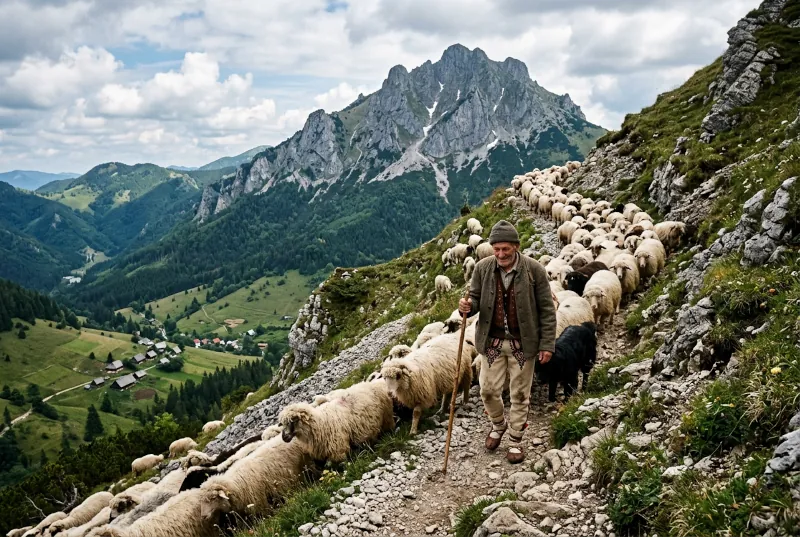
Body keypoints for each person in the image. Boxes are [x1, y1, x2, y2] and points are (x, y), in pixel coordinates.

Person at [458, 220, 556, 463]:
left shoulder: (534, 270)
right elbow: (476, 301)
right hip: (492, 341)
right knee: (488, 390)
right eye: (496, 249)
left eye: (506, 249)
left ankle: (515, 439)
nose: (500, 254)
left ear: (516, 247)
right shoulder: (483, 268)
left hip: (523, 344)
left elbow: (546, 309)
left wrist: (547, 344)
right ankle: (498, 424)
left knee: (520, 394)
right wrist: (466, 309)